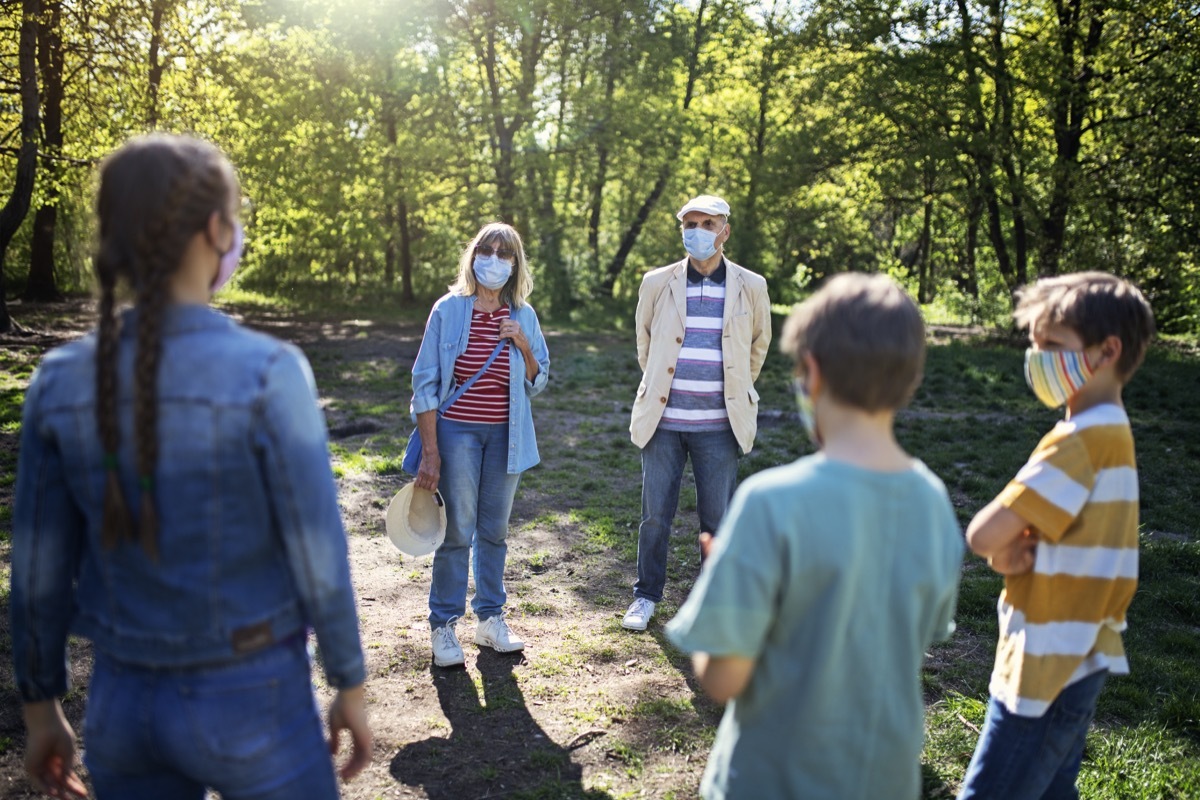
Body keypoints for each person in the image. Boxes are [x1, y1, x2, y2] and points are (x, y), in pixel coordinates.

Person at [11, 134, 371, 800]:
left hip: (121, 708)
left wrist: (41, 709)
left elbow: (36, 572)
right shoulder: (270, 373)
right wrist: (349, 681)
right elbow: (318, 551)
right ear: (216, 228)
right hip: (255, 696)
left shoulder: (57, 381)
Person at [666, 272, 964, 799]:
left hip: (772, 780)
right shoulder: (934, 499)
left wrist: (721, 581)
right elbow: (923, 630)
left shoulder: (770, 502)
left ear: (813, 373)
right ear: (911, 380)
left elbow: (721, 678)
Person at [957, 273, 1155, 800]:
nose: (1036, 357)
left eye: (1053, 346)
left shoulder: (1079, 441)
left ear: (1106, 351)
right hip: (1083, 650)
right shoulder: (1115, 431)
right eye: (1034, 343)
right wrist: (1012, 554)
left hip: (1046, 665)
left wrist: (1000, 547)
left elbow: (982, 533)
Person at [623, 194, 771, 631]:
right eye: (690, 223)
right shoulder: (656, 282)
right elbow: (644, 342)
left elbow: (758, 346)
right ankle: (645, 596)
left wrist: (736, 389)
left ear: (725, 230)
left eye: (708, 223)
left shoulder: (751, 285)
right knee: (654, 516)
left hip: (719, 426)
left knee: (717, 520)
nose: (698, 231)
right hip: (664, 424)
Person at [409, 222, 550, 668]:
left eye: (503, 253)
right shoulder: (449, 309)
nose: (493, 259)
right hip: (458, 433)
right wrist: (431, 451)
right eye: (486, 250)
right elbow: (425, 384)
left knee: (495, 530)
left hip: (507, 435)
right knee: (457, 529)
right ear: (473, 257)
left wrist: (524, 346)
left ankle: (490, 619)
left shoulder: (524, 314)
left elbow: (538, 381)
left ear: (515, 263)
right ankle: (444, 624)